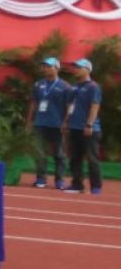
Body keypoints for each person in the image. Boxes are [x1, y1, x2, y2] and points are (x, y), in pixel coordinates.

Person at [26, 56, 71, 189]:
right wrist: (29, 121)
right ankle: (41, 179)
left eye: (48, 66)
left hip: (57, 125)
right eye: (44, 66)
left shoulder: (65, 86)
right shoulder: (39, 84)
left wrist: (66, 122)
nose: (45, 68)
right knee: (40, 152)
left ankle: (60, 179)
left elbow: (69, 106)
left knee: (59, 153)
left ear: (57, 68)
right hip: (40, 123)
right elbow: (33, 103)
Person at [64, 58, 103, 195]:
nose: (76, 69)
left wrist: (89, 124)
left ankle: (96, 186)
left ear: (87, 69)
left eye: (79, 67)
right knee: (75, 158)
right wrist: (66, 122)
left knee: (92, 159)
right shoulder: (74, 87)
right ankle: (77, 184)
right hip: (74, 128)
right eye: (75, 67)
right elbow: (70, 107)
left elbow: (95, 106)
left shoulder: (93, 87)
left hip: (89, 129)